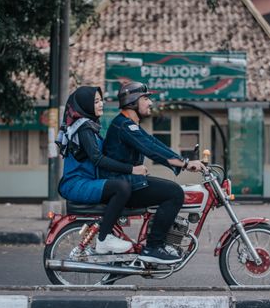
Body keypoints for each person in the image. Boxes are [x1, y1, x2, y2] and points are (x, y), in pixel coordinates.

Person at [102, 82, 206, 264]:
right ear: (133, 101)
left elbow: (155, 144)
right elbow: (151, 150)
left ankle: (160, 242)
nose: (150, 103)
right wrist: (185, 164)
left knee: (168, 190)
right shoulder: (125, 126)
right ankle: (153, 246)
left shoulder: (128, 125)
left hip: (128, 181)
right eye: (146, 98)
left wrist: (184, 161)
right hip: (122, 183)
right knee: (174, 193)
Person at [57, 86, 149, 254]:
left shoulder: (91, 127)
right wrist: (131, 169)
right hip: (77, 184)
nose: (101, 104)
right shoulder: (84, 128)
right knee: (121, 187)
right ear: (85, 105)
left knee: (125, 186)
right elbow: (97, 159)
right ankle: (103, 239)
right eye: (96, 101)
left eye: (101, 100)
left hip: (88, 182)